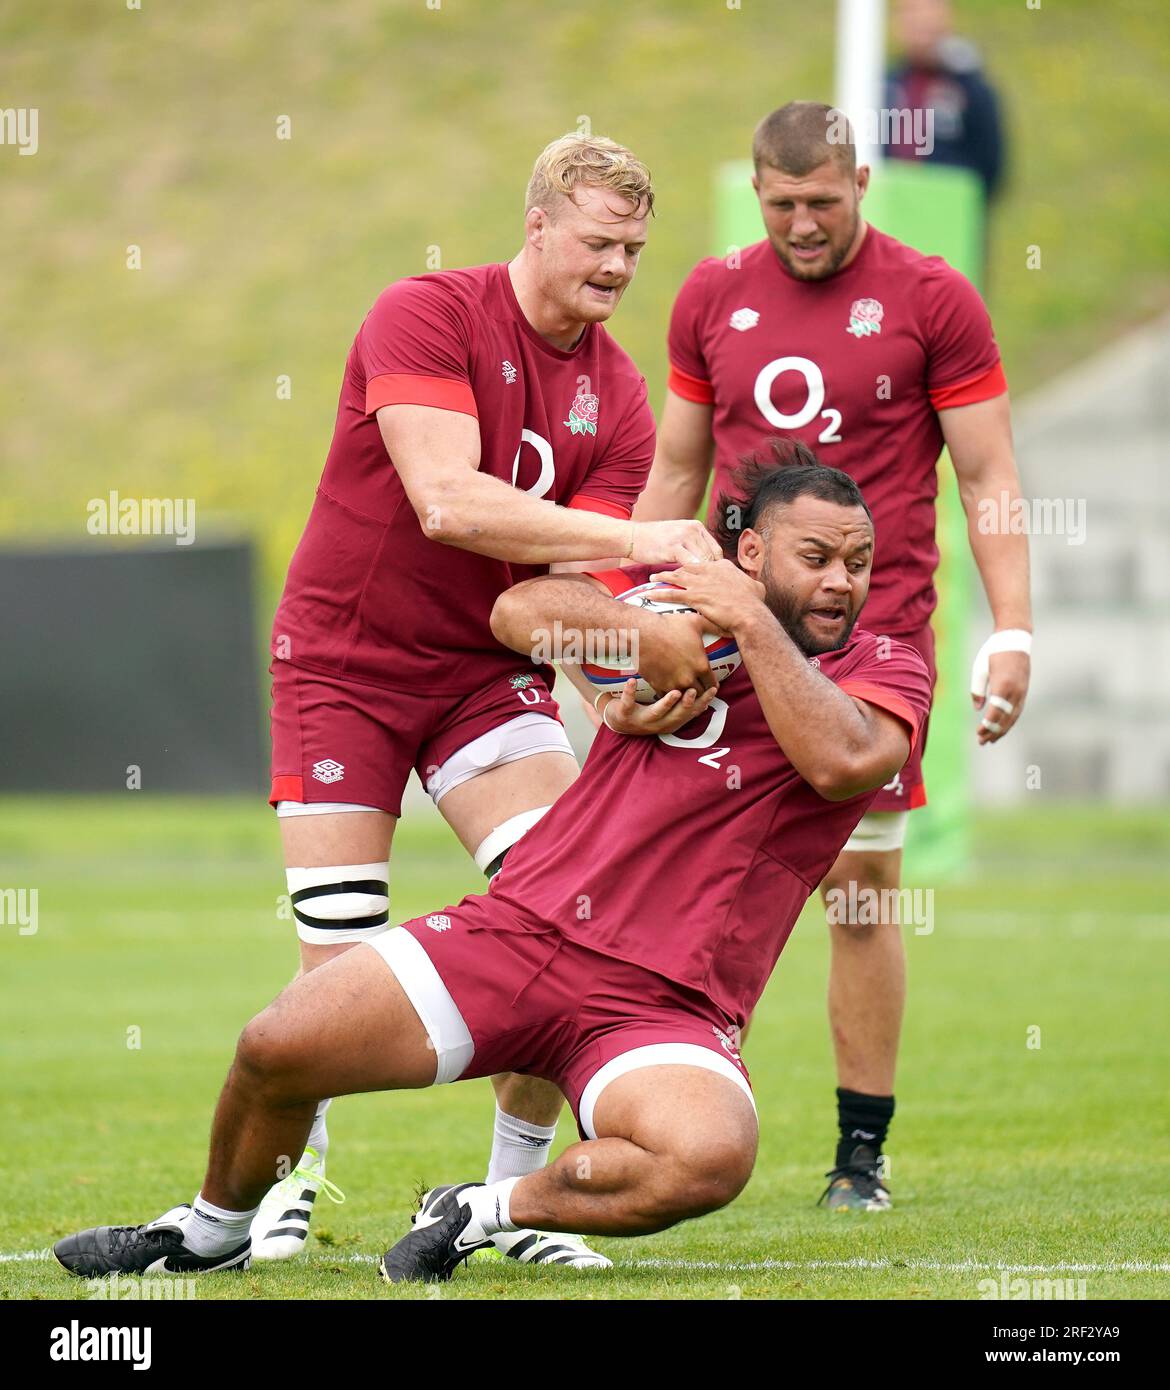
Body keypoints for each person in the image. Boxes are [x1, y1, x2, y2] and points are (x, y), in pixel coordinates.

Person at [53, 452, 932, 1285]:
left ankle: (488, 1210)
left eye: (857, 562)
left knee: (707, 1158)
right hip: (521, 932)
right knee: (277, 1047)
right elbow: (519, 615)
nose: (840, 582)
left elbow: (842, 761)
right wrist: (635, 649)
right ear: (749, 550)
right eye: (815, 557)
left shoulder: (885, 667)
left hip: (668, 1002)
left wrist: (743, 617)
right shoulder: (677, 613)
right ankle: (211, 1235)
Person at [255, 131, 719, 1268]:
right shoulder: (424, 312)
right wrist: (644, 535)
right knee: (340, 952)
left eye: (635, 249)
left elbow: (554, 599)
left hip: (481, 675)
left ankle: (504, 1199)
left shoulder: (618, 396)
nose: (618, 267)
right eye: (600, 242)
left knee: (570, 919)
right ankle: (281, 1192)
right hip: (344, 663)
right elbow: (448, 504)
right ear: (539, 226)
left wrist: (617, 677)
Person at [633, 101, 1031, 1209]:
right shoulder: (712, 292)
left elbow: (988, 475)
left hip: (872, 644)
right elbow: (676, 468)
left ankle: (861, 1155)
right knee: (660, 867)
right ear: (756, 192)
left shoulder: (932, 295)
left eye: (822, 201)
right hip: (718, 628)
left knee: (859, 891)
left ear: (864, 180)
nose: (802, 224)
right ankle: (644, 1105)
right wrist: (632, 608)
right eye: (781, 204)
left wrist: (1013, 628)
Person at [885, 0, 1007, 206]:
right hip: (893, 210)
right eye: (912, 12)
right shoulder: (885, 86)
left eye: (930, 11)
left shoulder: (970, 88)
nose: (921, 21)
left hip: (949, 213)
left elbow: (990, 162)